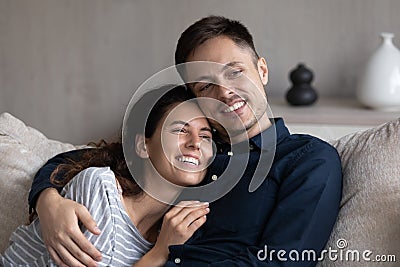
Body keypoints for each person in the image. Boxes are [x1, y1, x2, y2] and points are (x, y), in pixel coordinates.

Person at [27, 16, 342, 266]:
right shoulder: (193, 155)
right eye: (206, 86)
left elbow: (282, 262)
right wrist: (48, 201)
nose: (225, 92)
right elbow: (84, 159)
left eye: (235, 72)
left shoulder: (307, 159)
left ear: (261, 70)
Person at [1, 85, 214, 266]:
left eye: (205, 136)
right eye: (180, 130)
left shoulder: (175, 232)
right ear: (142, 146)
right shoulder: (100, 188)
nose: (196, 142)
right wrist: (158, 255)